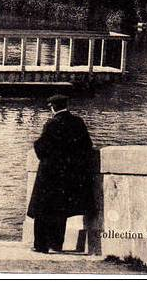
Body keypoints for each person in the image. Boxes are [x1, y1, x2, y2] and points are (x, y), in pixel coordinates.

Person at [26, 94, 96, 253]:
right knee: (60, 210)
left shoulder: (52, 124)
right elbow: (87, 146)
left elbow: (42, 148)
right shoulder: (78, 122)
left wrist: (36, 144)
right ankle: (56, 244)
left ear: (52, 107)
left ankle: (41, 245)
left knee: (43, 210)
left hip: (50, 174)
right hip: (69, 175)